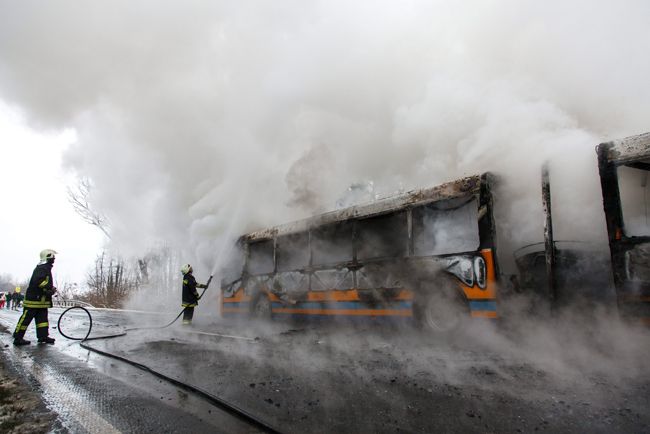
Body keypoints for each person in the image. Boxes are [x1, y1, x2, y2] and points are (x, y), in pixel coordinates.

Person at [13, 250, 58, 346]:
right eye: (52, 257)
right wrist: (50, 288)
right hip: (33, 300)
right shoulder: (42, 268)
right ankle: (18, 337)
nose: (54, 259)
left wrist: (49, 290)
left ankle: (43, 336)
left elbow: (43, 283)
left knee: (42, 320)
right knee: (26, 319)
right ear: (47, 257)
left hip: (41, 301)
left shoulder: (46, 268)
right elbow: (39, 282)